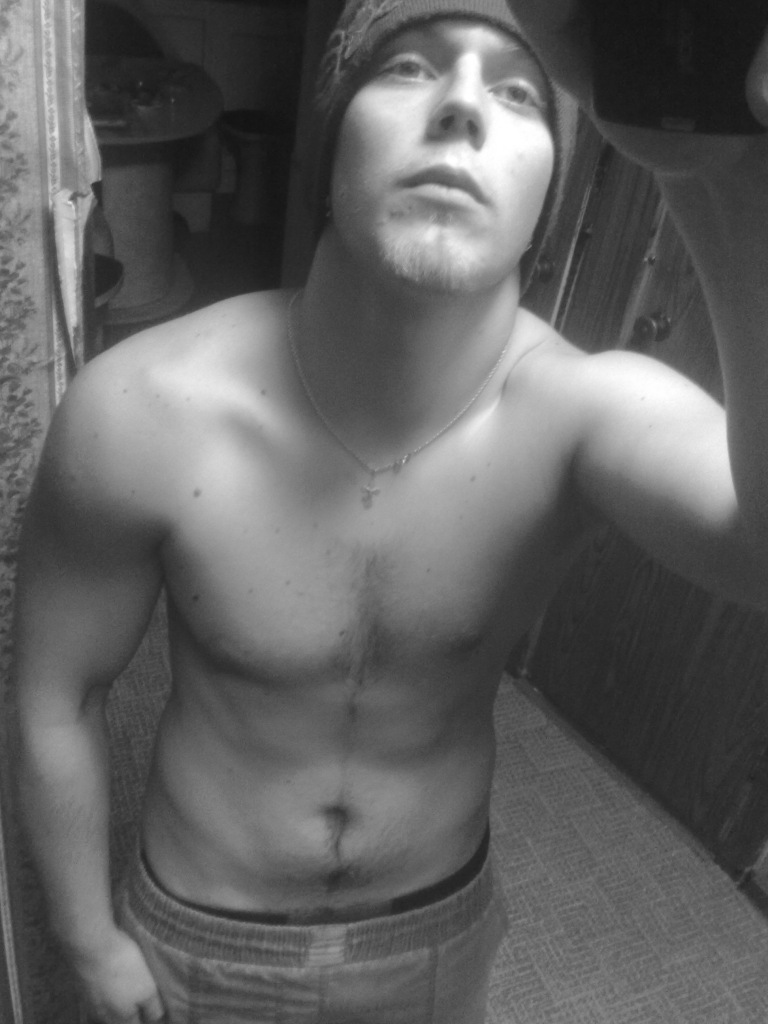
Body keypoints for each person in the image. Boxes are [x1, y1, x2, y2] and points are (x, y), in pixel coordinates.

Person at [13, 0, 768, 1021]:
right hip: (200, 932)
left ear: (551, 193)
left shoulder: (577, 411)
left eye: (518, 92)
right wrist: (86, 939)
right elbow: (56, 696)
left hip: (430, 939)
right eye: (409, 68)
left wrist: (720, 174)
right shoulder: (143, 408)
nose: (463, 105)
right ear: (330, 146)